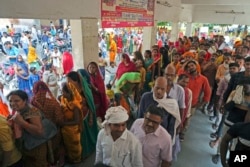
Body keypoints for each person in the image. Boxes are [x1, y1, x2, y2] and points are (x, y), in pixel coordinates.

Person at [7, 90, 48, 167]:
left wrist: (22, 122)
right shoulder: (20, 111)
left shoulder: (32, 111)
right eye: (10, 101)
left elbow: (40, 131)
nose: (12, 103)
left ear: (25, 101)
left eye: (17, 101)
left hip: (36, 148)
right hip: (29, 147)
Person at [67, 70, 99, 158]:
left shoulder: (85, 91)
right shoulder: (70, 90)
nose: (68, 82)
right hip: (77, 116)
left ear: (76, 81)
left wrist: (91, 118)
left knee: (86, 136)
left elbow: (91, 105)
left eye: (69, 80)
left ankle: (88, 151)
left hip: (86, 116)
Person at [138, 77, 181, 142]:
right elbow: (139, 117)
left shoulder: (172, 104)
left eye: (162, 89)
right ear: (153, 86)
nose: (159, 91)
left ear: (166, 89)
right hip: (145, 133)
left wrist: (169, 141)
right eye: (157, 88)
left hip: (161, 137)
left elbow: (171, 126)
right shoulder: (146, 97)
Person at [31, 81, 64, 166]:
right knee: (55, 148)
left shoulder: (32, 102)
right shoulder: (52, 101)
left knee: (43, 155)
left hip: (39, 135)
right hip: (54, 131)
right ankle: (56, 162)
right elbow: (59, 119)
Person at [59, 82, 83, 164]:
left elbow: (76, 121)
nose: (62, 94)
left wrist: (64, 124)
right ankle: (71, 158)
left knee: (74, 147)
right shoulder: (64, 99)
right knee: (68, 146)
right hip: (66, 129)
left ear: (70, 93)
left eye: (64, 92)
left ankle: (77, 160)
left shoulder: (75, 105)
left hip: (73, 130)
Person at [177, 74, 192, 142]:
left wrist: (183, 123)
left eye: (187, 82)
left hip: (180, 118)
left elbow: (188, 109)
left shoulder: (189, 92)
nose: (185, 84)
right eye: (183, 81)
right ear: (178, 80)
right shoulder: (172, 89)